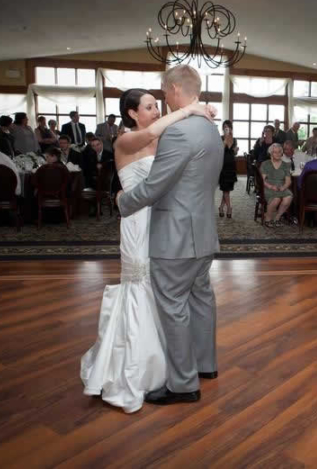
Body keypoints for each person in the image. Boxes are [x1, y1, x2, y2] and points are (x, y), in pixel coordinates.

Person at [111, 65, 222, 409]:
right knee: (201, 298)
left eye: (162, 90)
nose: (160, 97)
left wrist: (122, 201)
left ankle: (184, 384)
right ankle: (206, 365)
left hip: (175, 236)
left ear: (174, 89)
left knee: (173, 306)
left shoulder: (178, 132)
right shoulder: (209, 129)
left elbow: (156, 185)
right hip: (203, 232)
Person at [260, 143, 293, 227]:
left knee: (288, 197)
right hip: (268, 186)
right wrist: (271, 186)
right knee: (276, 199)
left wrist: (284, 187)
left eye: (279, 152)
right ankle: (268, 219)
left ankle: (277, 218)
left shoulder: (285, 165)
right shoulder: (265, 164)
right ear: (271, 153)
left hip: (281, 186)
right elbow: (262, 180)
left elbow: (288, 181)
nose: (278, 154)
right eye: (275, 152)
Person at [218, 120, 238, 219]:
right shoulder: (220, 138)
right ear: (223, 128)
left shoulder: (234, 139)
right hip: (222, 165)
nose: (227, 128)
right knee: (225, 189)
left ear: (231, 128)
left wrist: (235, 151)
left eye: (228, 127)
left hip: (232, 165)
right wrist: (224, 142)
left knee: (227, 190)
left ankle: (221, 207)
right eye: (225, 127)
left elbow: (233, 153)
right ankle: (229, 208)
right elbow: (219, 151)